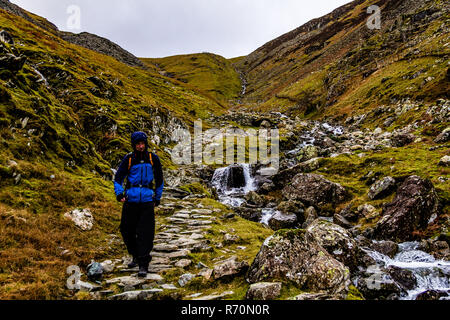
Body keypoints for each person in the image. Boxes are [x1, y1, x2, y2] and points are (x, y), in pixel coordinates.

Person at [114, 131, 164, 277]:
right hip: (131, 200)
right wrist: (119, 193)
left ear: (146, 144)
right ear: (134, 145)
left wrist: (157, 197)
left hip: (147, 201)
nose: (141, 146)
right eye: (138, 144)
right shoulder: (128, 159)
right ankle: (135, 254)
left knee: (146, 232)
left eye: (142, 144)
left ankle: (143, 263)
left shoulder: (153, 158)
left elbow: (159, 179)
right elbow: (118, 178)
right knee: (126, 230)